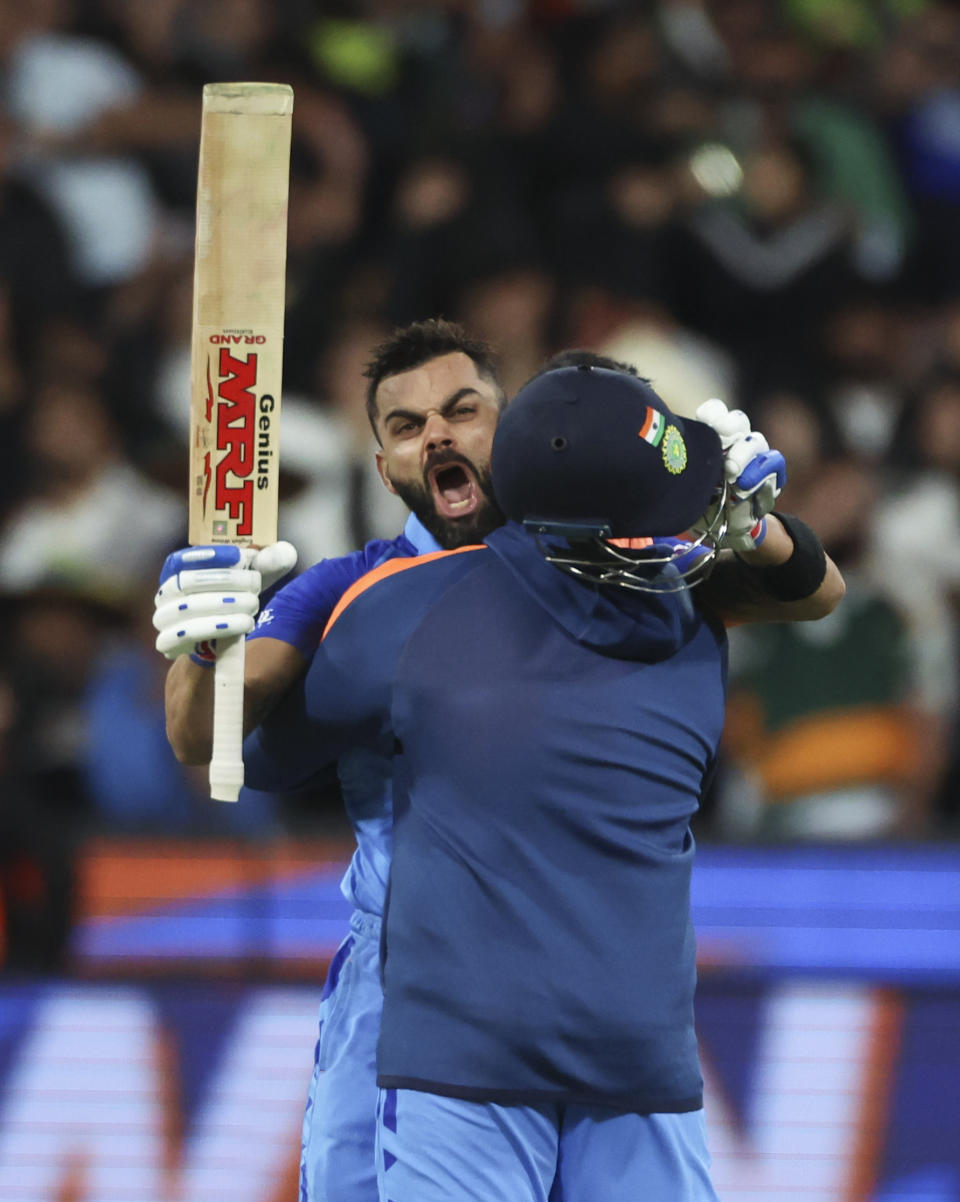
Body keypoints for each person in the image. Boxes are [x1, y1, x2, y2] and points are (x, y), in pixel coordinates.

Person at [243, 364, 844, 1201]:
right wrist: (759, 533)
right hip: (638, 1054)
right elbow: (818, 585)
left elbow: (262, 757)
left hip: (459, 1055)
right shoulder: (698, 616)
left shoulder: (396, 611)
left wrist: (216, 652)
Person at [154, 317, 508, 1202]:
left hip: (574, 962)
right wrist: (203, 646)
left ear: (510, 421)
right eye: (406, 425)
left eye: (462, 411)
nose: (438, 435)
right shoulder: (343, 589)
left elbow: (797, 596)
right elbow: (202, 734)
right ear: (384, 464)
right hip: (402, 973)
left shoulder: (587, 565)